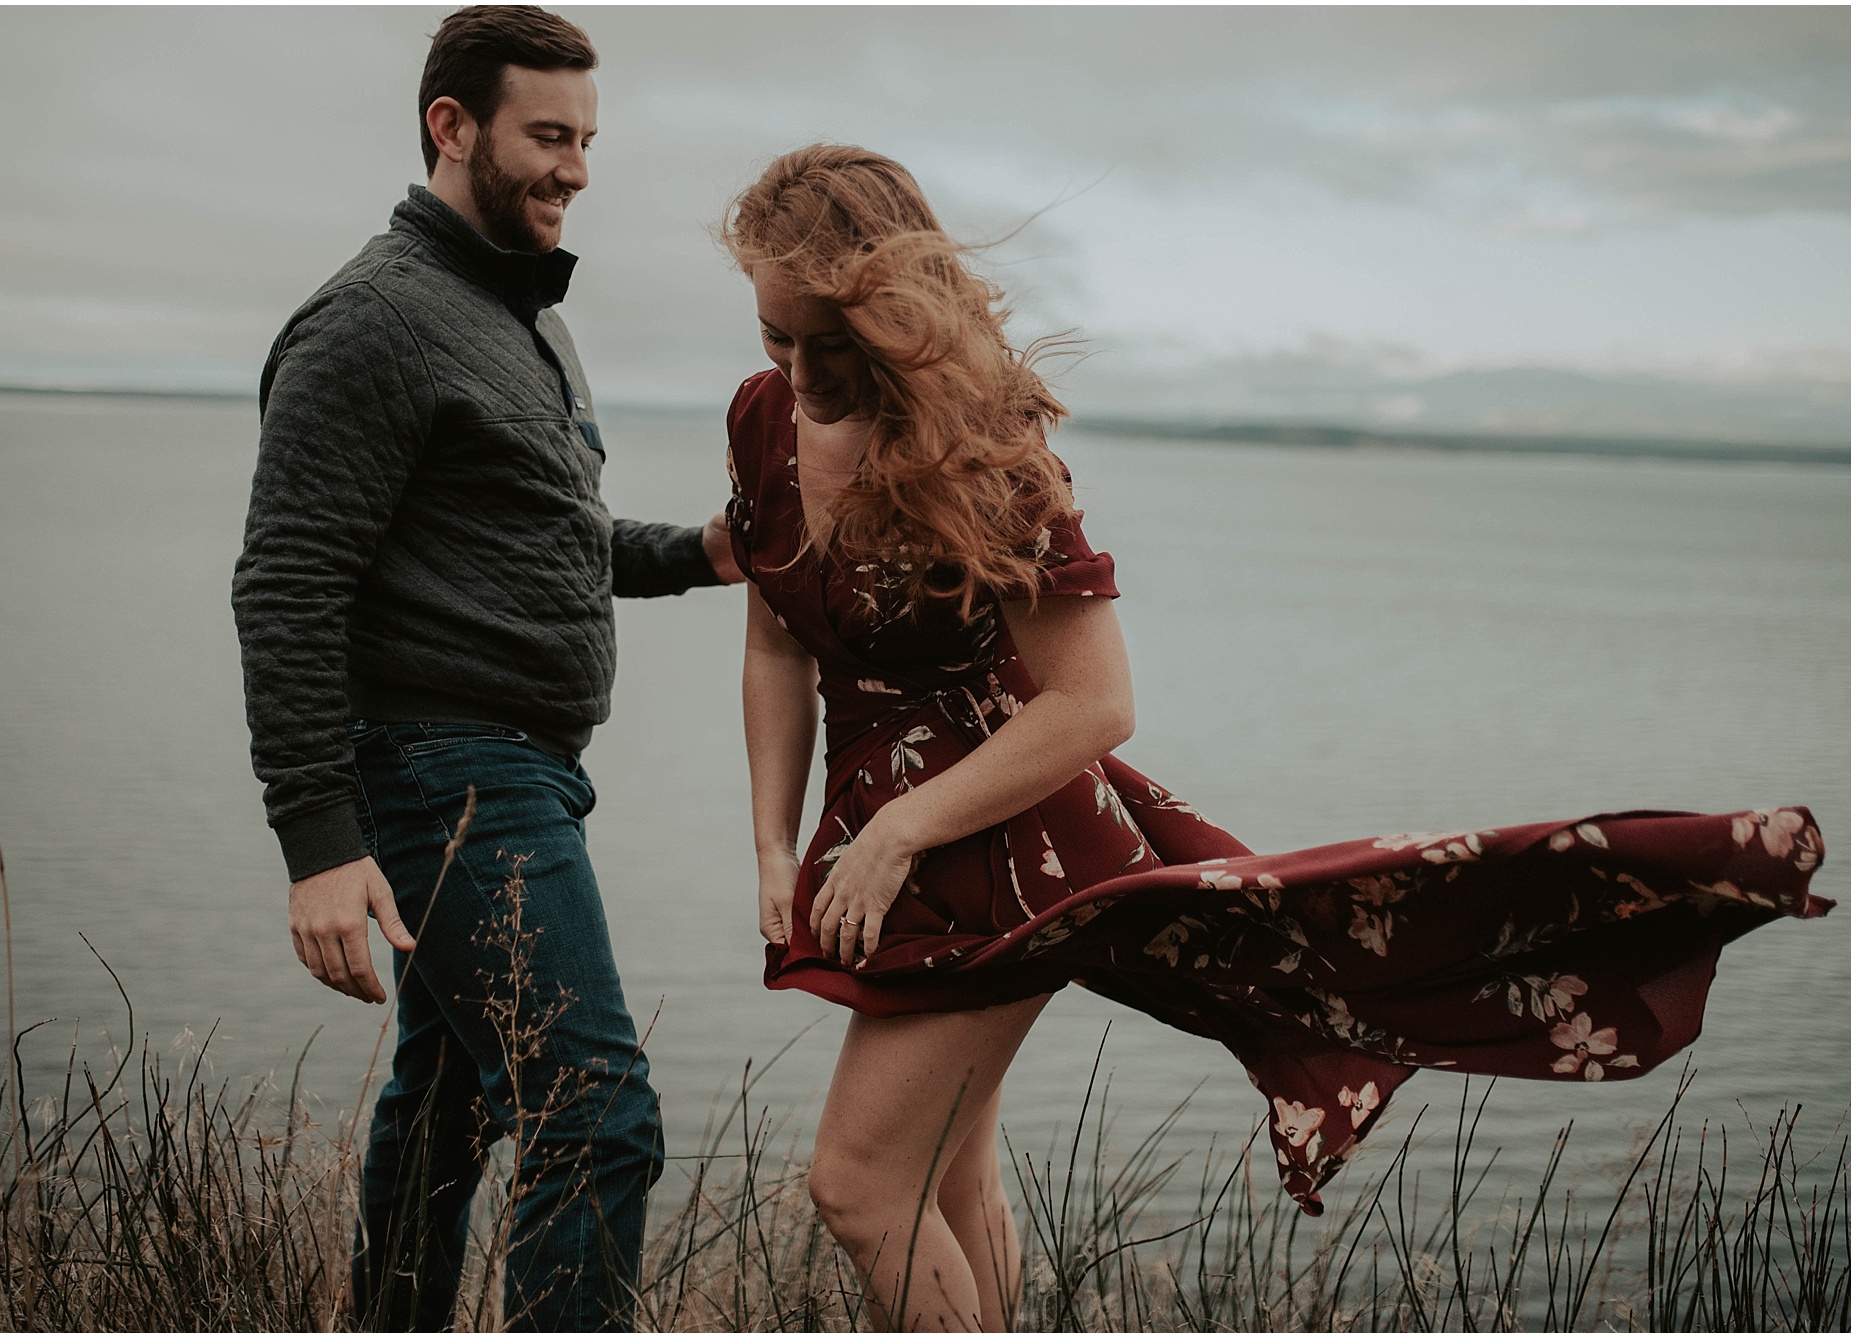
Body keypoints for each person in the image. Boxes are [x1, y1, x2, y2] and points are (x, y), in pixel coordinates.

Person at [722, 144, 1831, 1332]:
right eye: (775, 335)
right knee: (946, 1173)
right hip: (879, 848)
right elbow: (776, 644)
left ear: (896, 317)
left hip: (1004, 855)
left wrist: (900, 831)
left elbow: (1095, 706)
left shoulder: (987, 455)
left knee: (856, 1185)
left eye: (828, 340)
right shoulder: (761, 420)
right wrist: (774, 848)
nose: (800, 368)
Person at [232, 7, 742, 1330]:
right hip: (448, 778)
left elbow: (546, 536)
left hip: (514, 773)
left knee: (447, 1107)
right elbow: (286, 588)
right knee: (597, 1117)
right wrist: (316, 842)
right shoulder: (371, 326)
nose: (576, 166)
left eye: (586, 138)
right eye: (547, 136)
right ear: (451, 128)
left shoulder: (518, 316)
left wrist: (706, 550)